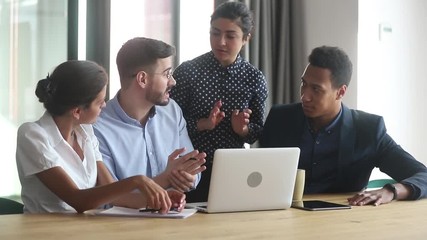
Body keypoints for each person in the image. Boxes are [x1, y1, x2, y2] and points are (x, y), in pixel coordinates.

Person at [259, 46, 427, 206]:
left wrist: (391, 190)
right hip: (282, 216)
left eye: (316, 89)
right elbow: (259, 174)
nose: (304, 96)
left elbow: (423, 175)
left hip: (343, 219)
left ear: (341, 92)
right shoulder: (280, 119)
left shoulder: (368, 130)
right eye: (304, 84)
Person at [16, 60, 185, 214]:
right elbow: (79, 200)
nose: (105, 105)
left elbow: (114, 194)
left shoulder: (86, 133)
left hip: (86, 231)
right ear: (77, 111)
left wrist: (160, 198)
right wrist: (137, 181)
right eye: (99, 102)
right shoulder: (32, 135)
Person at [170, 1, 268, 202]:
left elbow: (257, 131)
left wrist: (243, 130)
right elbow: (167, 126)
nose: (220, 42)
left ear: (246, 39)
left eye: (230, 36)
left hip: (233, 171)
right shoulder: (188, 72)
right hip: (188, 170)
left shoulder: (254, 78)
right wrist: (203, 124)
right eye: (215, 33)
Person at [93, 37, 206, 194]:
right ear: (142, 79)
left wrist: (189, 177)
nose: (173, 81)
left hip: (174, 215)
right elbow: (110, 197)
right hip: (122, 219)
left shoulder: (172, 111)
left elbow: (193, 167)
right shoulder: (98, 128)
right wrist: (166, 179)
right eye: (167, 74)